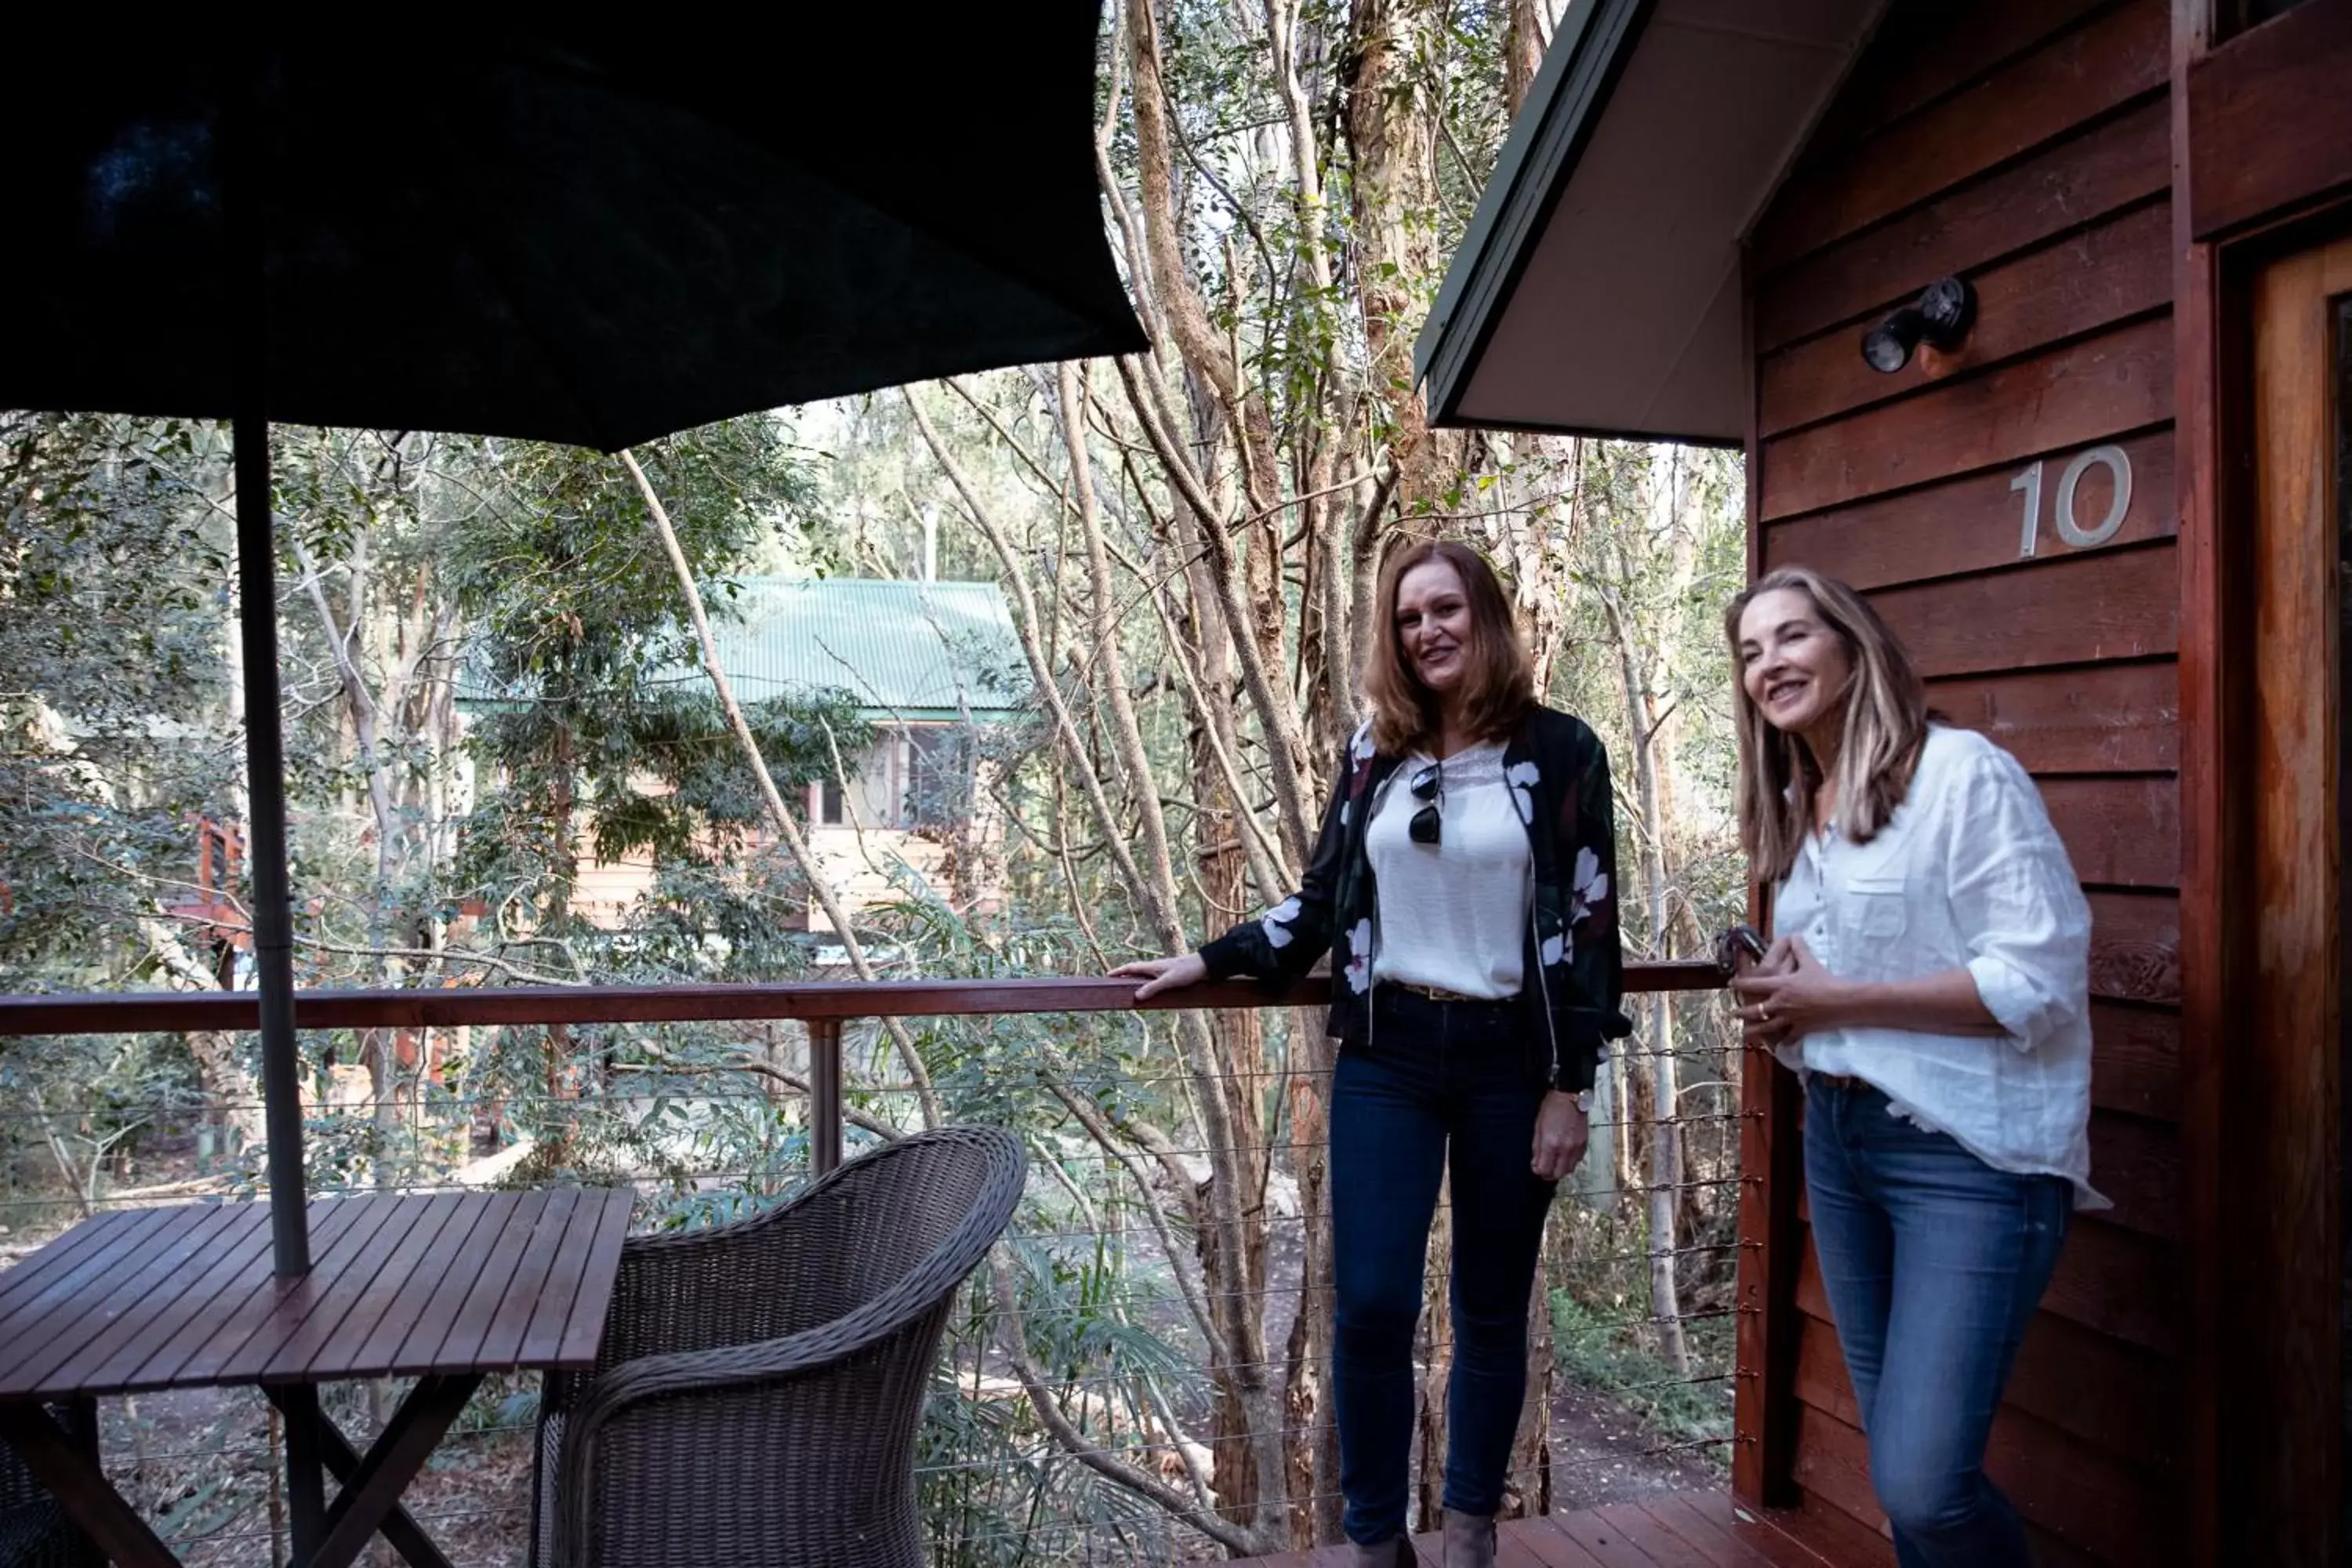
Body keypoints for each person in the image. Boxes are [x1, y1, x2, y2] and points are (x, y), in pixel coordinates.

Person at [1113, 539, 1628, 1568]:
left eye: (1446, 610)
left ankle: (1473, 1524)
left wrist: (1572, 1085)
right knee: (1376, 1303)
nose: (1428, 630)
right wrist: (1207, 959)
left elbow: (1592, 923)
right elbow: (1319, 901)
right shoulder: (1376, 751)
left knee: (1490, 1301)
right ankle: (1375, 1540)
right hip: (1388, 1054)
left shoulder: (1565, 752)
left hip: (1507, 1063)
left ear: (1485, 619)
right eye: (1408, 618)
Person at [1724, 566, 2103, 1568]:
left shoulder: (1962, 775)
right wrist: (1785, 1006)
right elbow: (1835, 1003)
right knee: (1907, 1480)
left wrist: (1835, 998)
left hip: (1969, 1159)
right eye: (1752, 651)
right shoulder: (1804, 814)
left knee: (1926, 1486)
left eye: (1793, 636)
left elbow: (2040, 976)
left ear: (1854, 647)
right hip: (1843, 1148)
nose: (1771, 664)